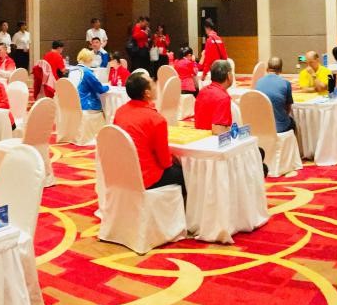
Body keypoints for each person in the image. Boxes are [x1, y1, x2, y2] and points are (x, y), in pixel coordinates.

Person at [113, 71, 185, 200]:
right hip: (146, 177)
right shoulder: (156, 119)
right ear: (147, 93)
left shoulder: (119, 112)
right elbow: (165, 162)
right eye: (152, 82)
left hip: (122, 173)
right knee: (185, 174)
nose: (156, 84)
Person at [255, 57, 295, 134]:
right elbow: (288, 109)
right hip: (280, 127)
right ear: (281, 70)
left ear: (267, 68)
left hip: (261, 126)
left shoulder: (259, 82)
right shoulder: (286, 83)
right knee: (292, 123)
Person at [194, 59, 234, 134]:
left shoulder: (202, 91)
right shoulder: (223, 97)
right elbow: (218, 131)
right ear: (229, 75)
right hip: (211, 139)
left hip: (199, 137)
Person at [72, 49, 109, 121]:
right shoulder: (87, 72)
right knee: (106, 109)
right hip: (87, 105)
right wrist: (108, 87)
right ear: (89, 60)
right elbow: (100, 89)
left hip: (73, 104)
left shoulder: (72, 71)